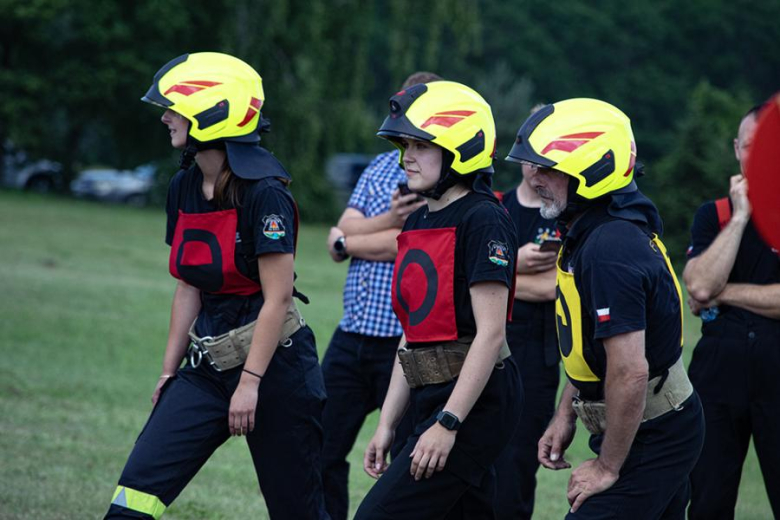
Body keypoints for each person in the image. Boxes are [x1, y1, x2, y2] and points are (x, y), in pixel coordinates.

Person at [104, 52, 329, 519]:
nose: (165, 116)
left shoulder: (266, 193)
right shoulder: (183, 185)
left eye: (175, 107)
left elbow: (278, 296)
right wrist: (168, 373)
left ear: (212, 114)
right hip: (206, 369)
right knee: (133, 500)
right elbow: (189, 285)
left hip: (277, 372)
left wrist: (250, 384)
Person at [508, 98, 704, 519]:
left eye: (548, 167)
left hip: (653, 435)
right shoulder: (595, 232)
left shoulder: (610, 247)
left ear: (592, 170)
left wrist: (607, 466)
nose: (535, 177)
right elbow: (593, 351)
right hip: (647, 425)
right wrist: (566, 414)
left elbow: (629, 370)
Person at [354, 80, 522, 519]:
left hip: (475, 403)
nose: (406, 155)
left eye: (420, 144)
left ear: (460, 148)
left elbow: (490, 335)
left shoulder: (484, 219)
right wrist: (387, 422)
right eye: (404, 144)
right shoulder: (415, 223)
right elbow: (412, 335)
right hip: (427, 393)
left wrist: (448, 423)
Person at [321, 72, 439, 520]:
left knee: (409, 457)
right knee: (320, 443)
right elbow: (344, 225)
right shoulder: (377, 167)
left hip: (401, 341)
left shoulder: (442, 176)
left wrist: (349, 242)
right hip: (352, 335)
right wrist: (388, 218)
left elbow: (410, 247)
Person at [684, 104, 780, 520]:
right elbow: (701, 285)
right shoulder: (715, 215)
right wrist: (741, 217)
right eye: (750, 147)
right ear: (737, 150)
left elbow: (710, 292)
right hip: (717, 377)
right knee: (708, 500)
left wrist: (724, 294)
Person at [494, 158, 560, 519]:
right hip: (485, 351)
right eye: (531, 157)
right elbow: (462, 272)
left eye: (547, 160)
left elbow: (560, 287)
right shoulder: (496, 208)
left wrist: (499, 272)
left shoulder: (563, 215)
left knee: (515, 469)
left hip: (538, 358)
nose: (537, 168)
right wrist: (514, 262)